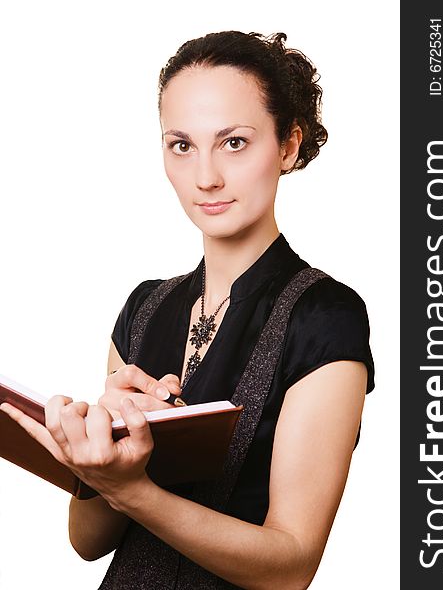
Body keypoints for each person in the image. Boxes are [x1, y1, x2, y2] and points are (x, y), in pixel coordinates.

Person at [0, 30, 375, 589]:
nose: (205, 178)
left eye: (234, 142)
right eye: (182, 145)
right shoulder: (144, 309)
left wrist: (135, 491)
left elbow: (291, 567)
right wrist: (101, 466)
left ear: (289, 145)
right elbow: (86, 542)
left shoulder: (326, 317)